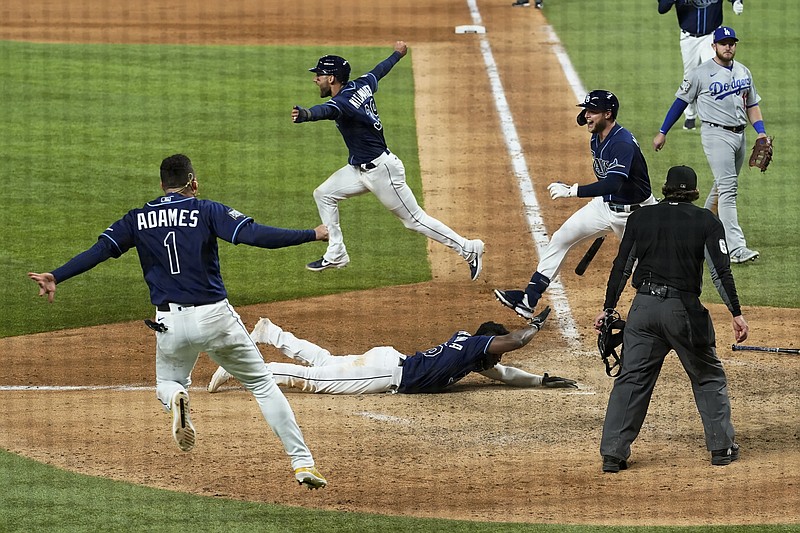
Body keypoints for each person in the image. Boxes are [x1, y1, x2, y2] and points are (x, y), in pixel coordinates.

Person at [28, 154, 329, 489]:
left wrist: (57, 276)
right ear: (193, 182)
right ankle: (303, 464)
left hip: (168, 322)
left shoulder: (137, 218)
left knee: (167, 383)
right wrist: (311, 234)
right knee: (261, 385)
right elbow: (255, 236)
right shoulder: (206, 210)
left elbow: (100, 250)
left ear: (161, 184)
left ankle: (175, 399)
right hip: (215, 318)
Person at [594, 165, 748, 473]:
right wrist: (736, 313)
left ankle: (613, 454)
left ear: (665, 189)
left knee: (632, 379)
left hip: (644, 309)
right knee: (707, 375)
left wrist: (608, 307)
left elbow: (622, 266)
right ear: (693, 192)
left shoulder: (641, 218)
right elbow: (721, 272)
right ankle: (721, 448)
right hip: (683, 311)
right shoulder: (706, 221)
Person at [292, 41, 485, 280]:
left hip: (383, 172)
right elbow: (379, 70)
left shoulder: (341, 103)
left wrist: (306, 114)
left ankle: (468, 249)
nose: (316, 79)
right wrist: (397, 54)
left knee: (415, 220)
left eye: (319, 75)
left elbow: (326, 111)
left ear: (331, 79)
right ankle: (336, 252)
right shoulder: (361, 85)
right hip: (359, 169)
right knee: (323, 194)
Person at [494, 90, 656, 320]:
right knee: (562, 237)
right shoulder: (596, 135)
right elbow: (609, 186)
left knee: (646, 270)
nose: (586, 116)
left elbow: (613, 183)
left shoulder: (622, 142)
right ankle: (528, 299)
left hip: (636, 215)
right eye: (586, 110)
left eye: (592, 111)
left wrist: (574, 191)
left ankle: (659, 314)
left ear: (608, 114)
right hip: (606, 206)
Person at [207, 307, 579, 395]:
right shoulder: (477, 346)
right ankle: (244, 368)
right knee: (317, 380)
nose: (496, 361)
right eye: (495, 354)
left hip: (388, 359)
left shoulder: (469, 351)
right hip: (388, 373)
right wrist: (535, 326)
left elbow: (504, 374)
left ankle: (271, 332)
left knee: (326, 362)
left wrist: (541, 380)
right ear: (488, 344)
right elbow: (512, 343)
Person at [654, 26, 767, 264]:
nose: (728, 47)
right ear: (714, 46)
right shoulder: (700, 73)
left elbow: (752, 105)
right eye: (724, 43)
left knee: (721, 187)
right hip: (716, 136)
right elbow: (679, 103)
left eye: (732, 43)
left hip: (740, 136)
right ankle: (736, 249)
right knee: (728, 190)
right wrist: (663, 131)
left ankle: (697, 234)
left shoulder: (744, 72)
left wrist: (761, 132)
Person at [657, 0, 744, 130]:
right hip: (688, 39)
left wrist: (737, 1)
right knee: (690, 77)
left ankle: (720, 117)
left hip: (712, 36)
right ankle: (690, 116)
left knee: (716, 73)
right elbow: (662, 8)